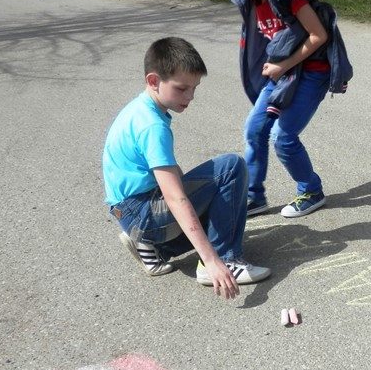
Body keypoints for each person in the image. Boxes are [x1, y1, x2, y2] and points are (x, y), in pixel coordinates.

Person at [102, 36, 271, 299]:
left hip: (129, 211)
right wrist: (211, 259)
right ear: (153, 81)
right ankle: (224, 260)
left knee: (217, 200)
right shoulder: (152, 126)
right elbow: (175, 197)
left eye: (194, 88)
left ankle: (154, 249)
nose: (190, 96)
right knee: (231, 168)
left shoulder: (140, 109)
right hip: (142, 212)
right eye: (182, 88)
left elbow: (171, 176)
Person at [214, 0, 353, 218]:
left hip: (312, 72)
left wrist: (284, 64)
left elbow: (319, 35)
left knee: (283, 137)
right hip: (284, 74)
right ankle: (254, 196)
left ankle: (311, 191)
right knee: (254, 129)